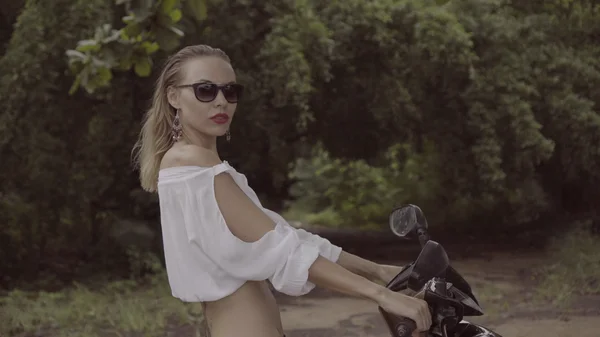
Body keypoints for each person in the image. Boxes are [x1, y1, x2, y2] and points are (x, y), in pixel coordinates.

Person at [132, 44, 432, 337]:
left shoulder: (197, 165)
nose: (221, 101)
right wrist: (381, 295)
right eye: (205, 90)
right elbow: (285, 250)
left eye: (230, 91)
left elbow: (288, 235)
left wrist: (376, 270)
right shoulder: (193, 165)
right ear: (173, 96)